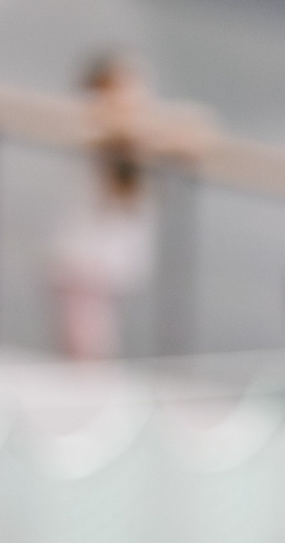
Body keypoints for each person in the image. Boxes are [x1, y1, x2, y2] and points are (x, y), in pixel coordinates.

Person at [47, 52, 204, 360]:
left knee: (90, 353)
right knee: (87, 359)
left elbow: (199, 129)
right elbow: (113, 130)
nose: (135, 100)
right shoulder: (92, 126)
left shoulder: (136, 142)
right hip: (80, 266)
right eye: (127, 90)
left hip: (102, 270)